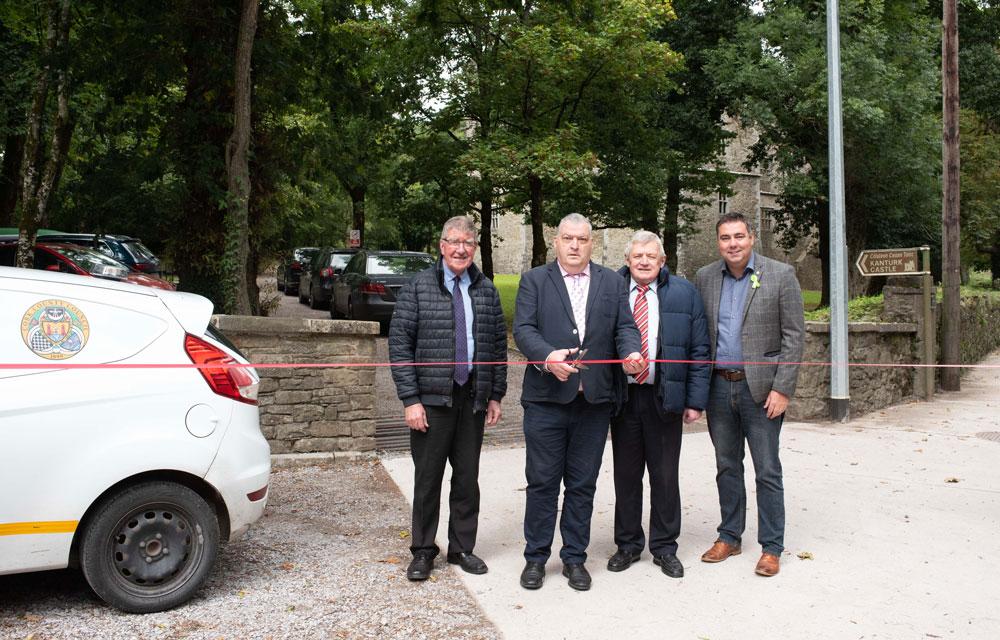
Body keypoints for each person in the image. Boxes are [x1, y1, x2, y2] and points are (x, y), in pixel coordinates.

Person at [513, 213, 645, 591]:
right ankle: (535, 558)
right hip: (545, 401)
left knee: (582, 484)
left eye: (582, 239)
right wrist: (547, 357)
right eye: (568, 238)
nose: (574, 245)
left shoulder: (611, 282)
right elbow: (523, 329)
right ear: (556, 241)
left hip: (594, 401)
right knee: (542, 483)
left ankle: (574, 558)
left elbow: (624, 327)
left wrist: (632, 352)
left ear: (592, 243)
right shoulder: (535, 280)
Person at [389, 215, 508, 581]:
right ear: (442, 246)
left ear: (474, 248)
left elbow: (498, 347)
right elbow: (399, 346)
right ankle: (423, 551)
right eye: (454, 242)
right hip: (431, 401)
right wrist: (410, 399)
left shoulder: (485, 290)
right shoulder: (419, 287)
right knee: (428, 479)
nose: (460, 249)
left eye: (467, 243)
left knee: (467, 479)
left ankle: (462, 548)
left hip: (472, 398)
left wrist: (495, 394)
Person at [694, 212, 804, 578]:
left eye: (739, 236)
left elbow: (794, 336)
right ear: (718, 242)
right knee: (727, 465)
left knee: (767, 469)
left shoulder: (780, 274)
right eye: (725, 238)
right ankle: (730, 536)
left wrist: (782, 388)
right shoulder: (706, 278)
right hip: (718, 387)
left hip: (762, 390)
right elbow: (700, 338)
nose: (733, 244)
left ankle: (772, 546)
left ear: (752, 238)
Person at [607, 230, 711, 579]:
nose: (644, 261)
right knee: (626, 474)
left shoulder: (684, 293)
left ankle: (665, 547)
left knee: (665, 476)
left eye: (651, 256)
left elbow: (699, 350)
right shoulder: (610, 291)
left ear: (662, 260)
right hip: (622, 397)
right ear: (627, 260)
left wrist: (695, 400)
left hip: (664, 396)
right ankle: (627, 544)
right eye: (638, 256)